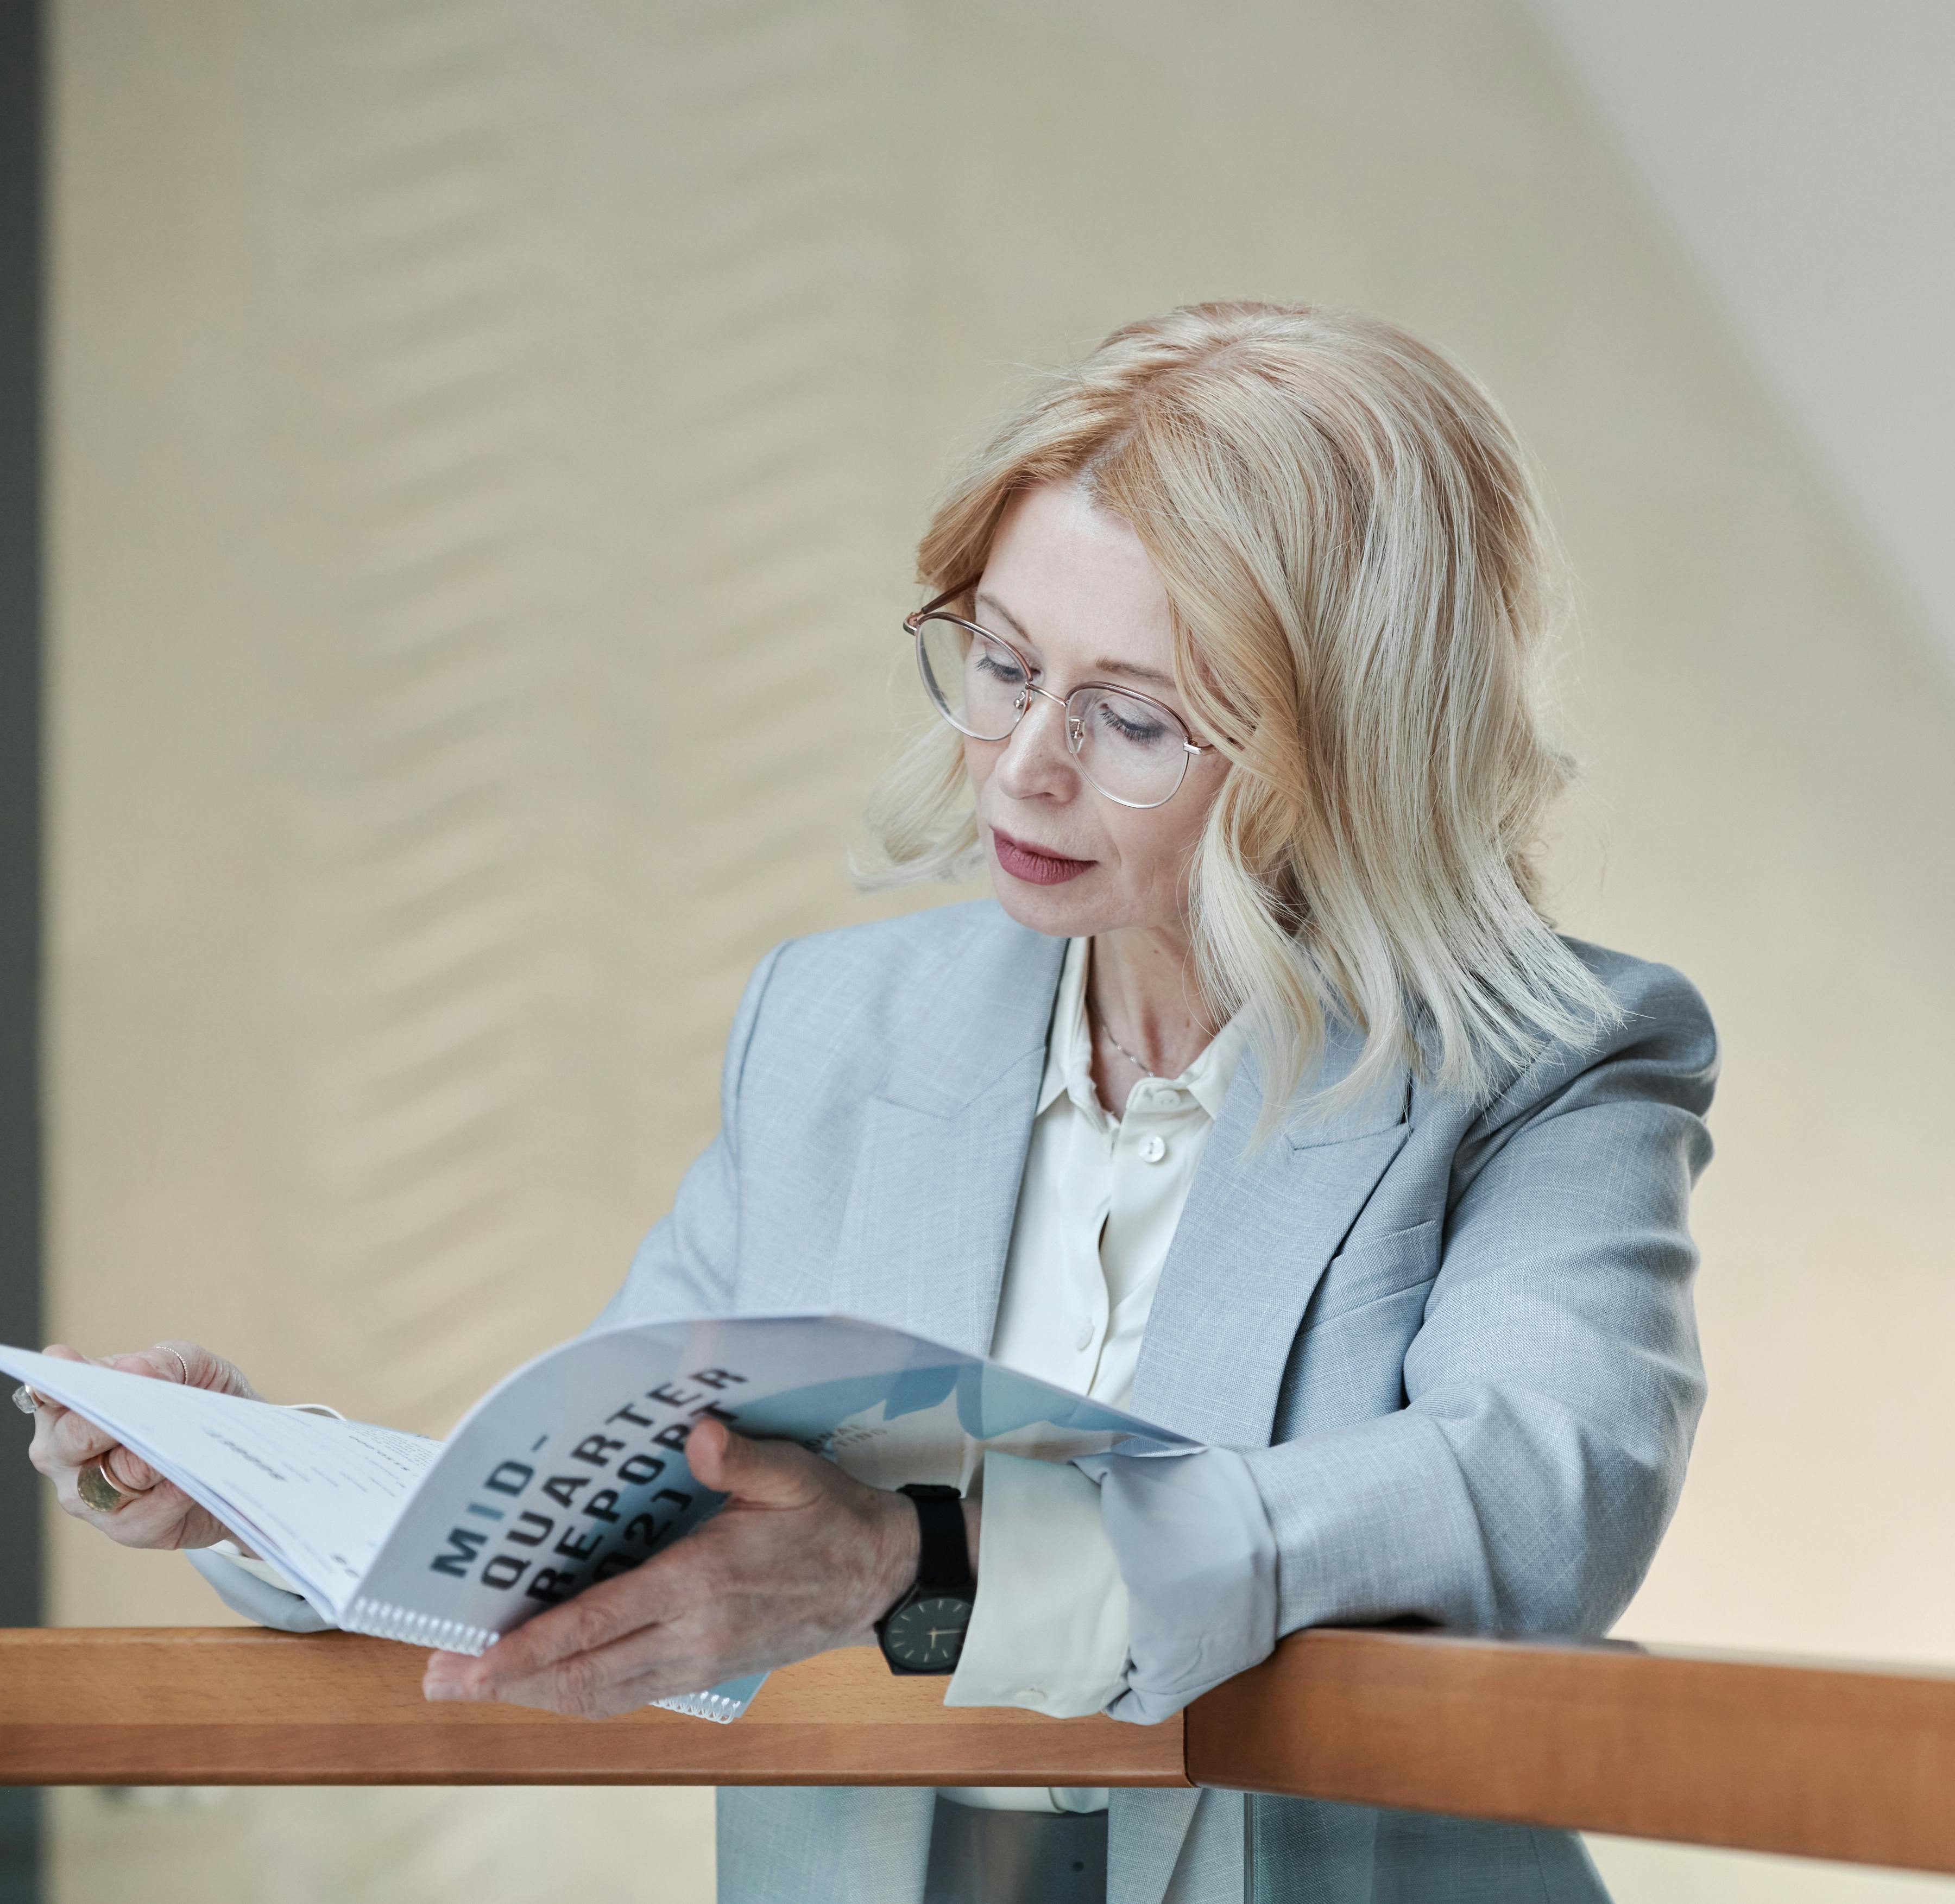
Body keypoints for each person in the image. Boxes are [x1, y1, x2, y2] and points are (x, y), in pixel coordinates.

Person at [23, 302, 1716, 1904]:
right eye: (999, 664)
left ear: (1345, 748)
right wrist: (241, 1474)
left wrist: (928, 1559)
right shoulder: (832, 1024)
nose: (1026, 764)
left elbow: (1530, 1490)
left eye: (1131, 716)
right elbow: (609, 1492)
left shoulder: (1550, 1056)